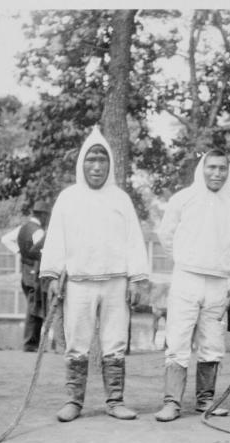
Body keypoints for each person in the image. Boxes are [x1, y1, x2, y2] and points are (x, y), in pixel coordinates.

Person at [39, 126, 148, 423]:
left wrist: (136, 278)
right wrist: (51, 276)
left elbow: (134, 240)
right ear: (81, 164)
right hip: (78, 284)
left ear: (109, 164)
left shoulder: (121, 199)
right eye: (91, 159)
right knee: (77, 342)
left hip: (115, 283)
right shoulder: (68, 198)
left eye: (102, 159)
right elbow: (56, 240)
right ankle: (74, 401)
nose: (97, 166)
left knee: (114, 342)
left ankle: (115, 401)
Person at [154, 149, 230, 422]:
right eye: (212, 167)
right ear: (202, 168)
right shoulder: (183, 199)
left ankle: (205, 400)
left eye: (222, 168)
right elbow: (166, 235)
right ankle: (172, 402)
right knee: (178, 339)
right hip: (186, 278)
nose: (217, 173)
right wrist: (185, 258)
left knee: (212, 341)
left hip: (219, 283)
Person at [0, 201, 51, 352]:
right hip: (35, 272)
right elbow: (41, 252)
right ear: (42, 215)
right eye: (47, 216)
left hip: (25, 271)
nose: (48, 219)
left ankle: (32, 344)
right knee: (35, 308)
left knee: (33, 306)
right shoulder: (38, 231)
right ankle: (30, 344)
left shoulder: (23, 228)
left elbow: (5, 239)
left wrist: (20, 252)